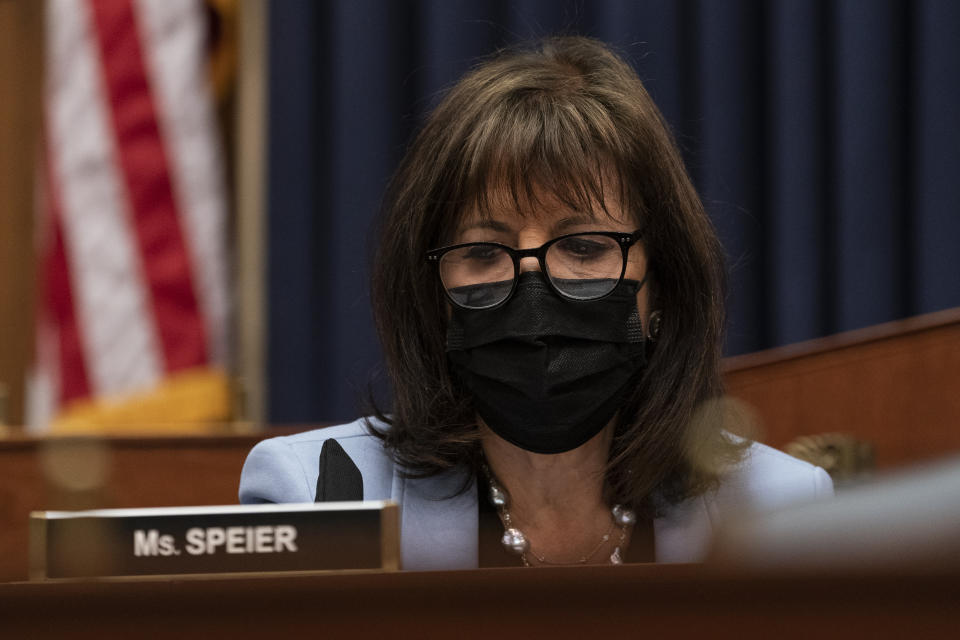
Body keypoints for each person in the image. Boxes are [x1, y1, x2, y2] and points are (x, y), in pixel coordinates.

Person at [239, 36, 833, 570]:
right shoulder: (318, 491)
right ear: (431, 299)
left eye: (582, 246)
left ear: (666, 286)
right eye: (482, 252)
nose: (534, 290)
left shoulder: (782, 509)